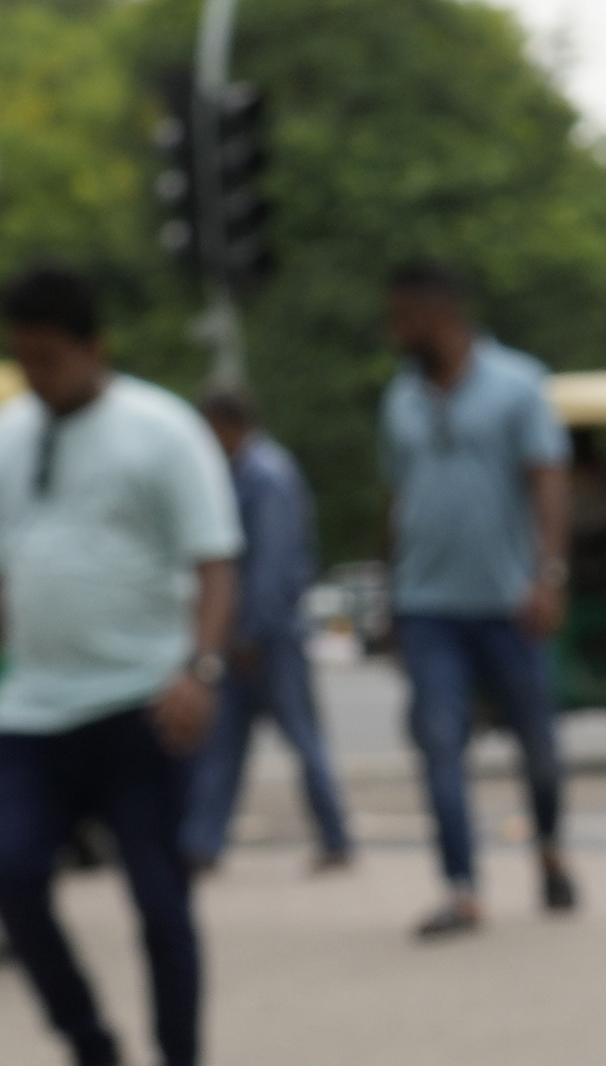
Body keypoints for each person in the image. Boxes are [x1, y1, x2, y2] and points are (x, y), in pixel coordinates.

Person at [0, 262, 241, 1066]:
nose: (36, 376)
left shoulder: (161, 432)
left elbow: (216, 559)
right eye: (23, 359)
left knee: (159, 901)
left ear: (95, 349)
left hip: (140, 708)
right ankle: (94, 1056)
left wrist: (201, 669)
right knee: (10, 874)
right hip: (34, 710)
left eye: (52, 359)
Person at [374, 253, 577, 938]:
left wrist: (548, 575)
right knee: (438, 744)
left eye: (404, 318)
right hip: (428, 605)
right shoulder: (399, 398)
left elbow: (547, 480)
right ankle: (461, 888)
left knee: (538, 749)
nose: (395, 332)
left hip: (507, 603)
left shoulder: (518, 385)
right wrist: (390, 594)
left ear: (441, 315)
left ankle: (550, 852)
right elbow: (396, 498)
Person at [191, 383, 354, 878]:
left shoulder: (267, 475)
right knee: (221, 742)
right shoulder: (237, 473)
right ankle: (202, 842)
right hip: (243, 632)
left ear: (229, 425)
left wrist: (249, 633)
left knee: (302, 738)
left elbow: (271, 562)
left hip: (271, 635)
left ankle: (334, 836)